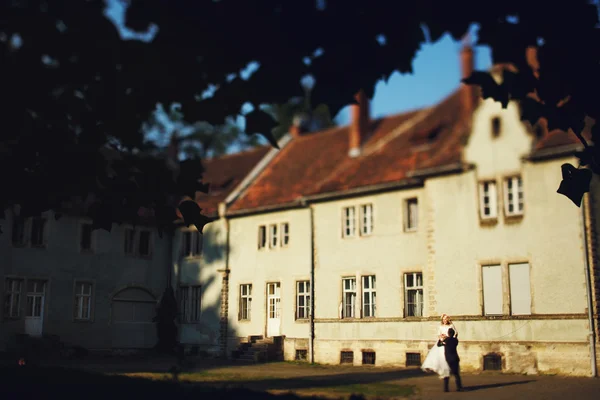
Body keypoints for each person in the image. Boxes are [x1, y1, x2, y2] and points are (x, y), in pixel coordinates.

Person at [421, 314, 458, 379]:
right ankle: (443, 370)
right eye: (443, 319)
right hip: (442, 341)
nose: (445, 321)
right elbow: (438, 334)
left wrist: (449, 338)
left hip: (449, 342)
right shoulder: (441, 326)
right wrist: (441, 338)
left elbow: (455, 333)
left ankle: (449, 369)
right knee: (440, 356)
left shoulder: (451, 325)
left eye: (446, 319)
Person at [437, 328, 463, 392]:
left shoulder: (446, 340)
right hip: (455, 358)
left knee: (446, 374)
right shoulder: (455, 340)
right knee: (456, 374)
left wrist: (440, 339)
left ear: (448, 333)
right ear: (453, 334)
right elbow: (455, 340)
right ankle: (459, 387)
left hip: (447, 359)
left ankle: (446, 388)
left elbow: (439, 345)